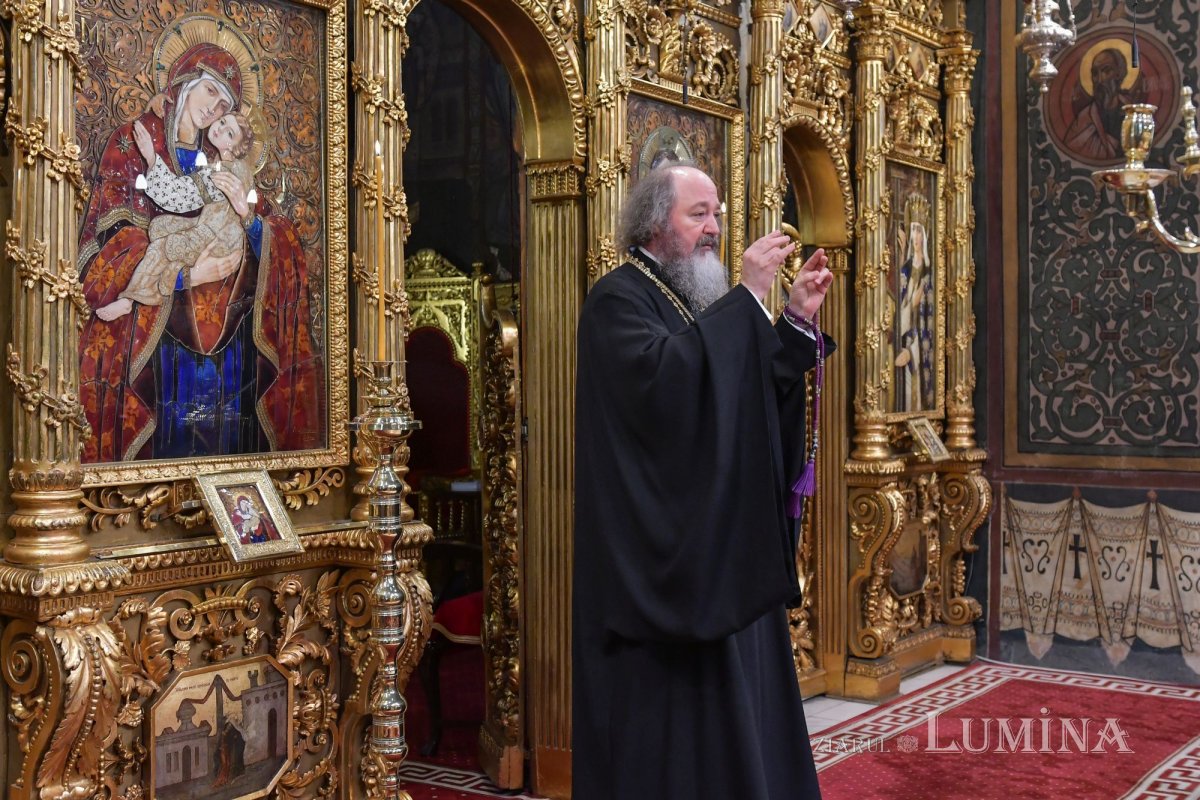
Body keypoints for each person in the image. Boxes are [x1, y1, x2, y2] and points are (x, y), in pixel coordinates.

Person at [573, 164, 834, 799]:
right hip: (658, 560)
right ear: (654, 223)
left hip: (713, 550)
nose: (714, 228)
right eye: (699, 215)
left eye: (716, 213)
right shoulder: (617, 299)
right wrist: (746, 297)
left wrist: (795, 320)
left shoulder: (688, 295)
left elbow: (737, 401)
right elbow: (669, 395)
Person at [78, 40, 324, 462]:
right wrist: (188, 276)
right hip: (159, 337)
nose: (214, 110)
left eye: (225, 105)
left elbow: (269, 231)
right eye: (211, 91)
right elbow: (111, 245)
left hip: (229, 339)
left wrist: (249, 222)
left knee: (220, 436)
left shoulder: (221, 163)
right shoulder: (133, 141)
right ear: (184, 81)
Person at [94, 113, 257, 321]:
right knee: (158, 227)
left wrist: (151, 157)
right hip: (217, 232)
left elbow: (176, 196)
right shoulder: (234, 169)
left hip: (216, 240)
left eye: (230, 133)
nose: (220, 128)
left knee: (163, 246)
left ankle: (130, 299)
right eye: (223, 121)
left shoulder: (222, 173)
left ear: (234, 148)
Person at [1063, 47, 1145, 162]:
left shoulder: (1134, 113)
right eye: (1095, 73)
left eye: (1106, 71)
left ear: (1119, 73)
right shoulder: (1084, 119)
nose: (1100, 80)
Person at [895, 220, 933, 411]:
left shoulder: (927, 276)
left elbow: (928, 323)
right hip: (905, 339)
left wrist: (912, 352)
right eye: (913, 231)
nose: (915, 236)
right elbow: (897, 306)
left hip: (916, 344)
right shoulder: (906, 270)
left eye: (919, 231)